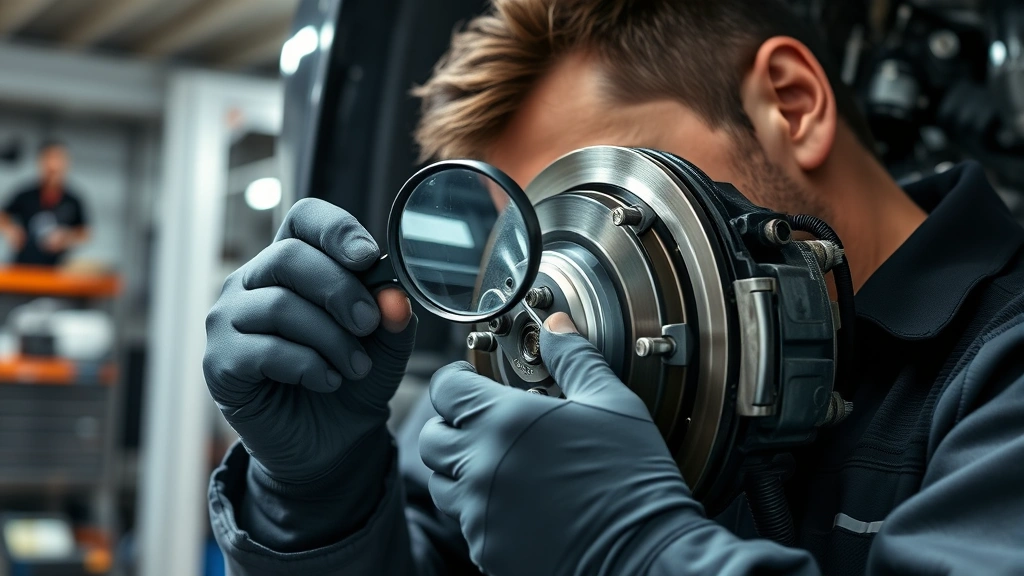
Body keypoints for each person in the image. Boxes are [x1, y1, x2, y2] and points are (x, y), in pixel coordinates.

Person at [203, 0, 1024, 574]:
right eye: (540, 237)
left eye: (606, 198)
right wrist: (319, 495)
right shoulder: (553, 367)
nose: (557, 292)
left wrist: (633, 550)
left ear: (791, 103)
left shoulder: (1001, 372)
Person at [0, 139, 89, 266]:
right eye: (49, 159)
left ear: (66, 163)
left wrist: (66, 237)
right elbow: (3, 215)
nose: (53, 165)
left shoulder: (73, 200)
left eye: (58, 159)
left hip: (56, 269)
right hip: (23, 265)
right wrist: (10, 230)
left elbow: (84, 232)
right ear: (40, 162)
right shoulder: (25, 194)